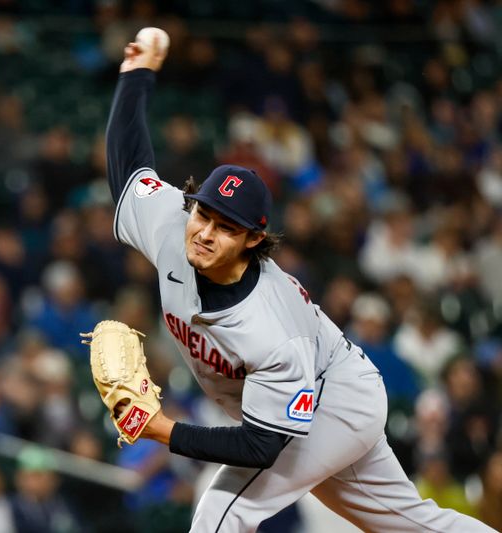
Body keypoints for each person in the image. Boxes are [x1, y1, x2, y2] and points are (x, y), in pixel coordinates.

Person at [103, 33, 495, 532]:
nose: (204, 232)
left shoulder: (270, 329)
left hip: (331, 402)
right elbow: (128, 168)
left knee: (222, 511)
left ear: (253, 238)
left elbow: (260, 446)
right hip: (319, 394)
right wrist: (136, 75)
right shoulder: (173, 223)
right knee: (411, 524)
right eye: (203, 213)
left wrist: (162, 430)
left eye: (225, 227)